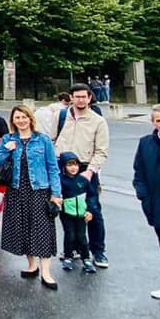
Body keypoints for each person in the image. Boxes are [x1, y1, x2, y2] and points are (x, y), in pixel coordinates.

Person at [0, 105, 63, 290]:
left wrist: (56, 193)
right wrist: (7, 150)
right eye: (17, 117)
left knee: (42, 230)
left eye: (24, 116)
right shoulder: (8, 139)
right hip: (16, 191)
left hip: (39, 190)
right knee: (23, 228)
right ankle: (32, 265)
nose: (21, 120)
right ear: (13, 120)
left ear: (30, 118)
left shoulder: (42, 140)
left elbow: (52, 167)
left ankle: (47, 272)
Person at [54, 83, 110, 268]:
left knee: (92, 210)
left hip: (85, 168)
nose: (80, 100)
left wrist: (89, 171)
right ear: (71, 97)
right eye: (76, 96)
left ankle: (98, 251)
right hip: (63, 168)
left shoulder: (97, 121)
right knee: (67, 210)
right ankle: (74, 248)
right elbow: (51, 139)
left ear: (89, 97)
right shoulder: (62, 116)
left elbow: (101, 151)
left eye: (83, 96)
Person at [133, 105, 160, 299]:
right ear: (153, 122)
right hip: (156, 205)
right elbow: (139, 173)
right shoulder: (145, 143)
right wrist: (144, 197)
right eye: (159, 120)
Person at [58, 152, 98, 274]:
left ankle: (86, 258)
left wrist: (90, 211)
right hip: (66, 214)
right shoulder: (61, 180)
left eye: (75, 164)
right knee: (69, 235)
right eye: (69, 165)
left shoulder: (83, 180)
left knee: (81, 236)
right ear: (64, 166)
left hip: (81, 214)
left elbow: (91, 195)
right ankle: (68, 256)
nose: (73, 168)